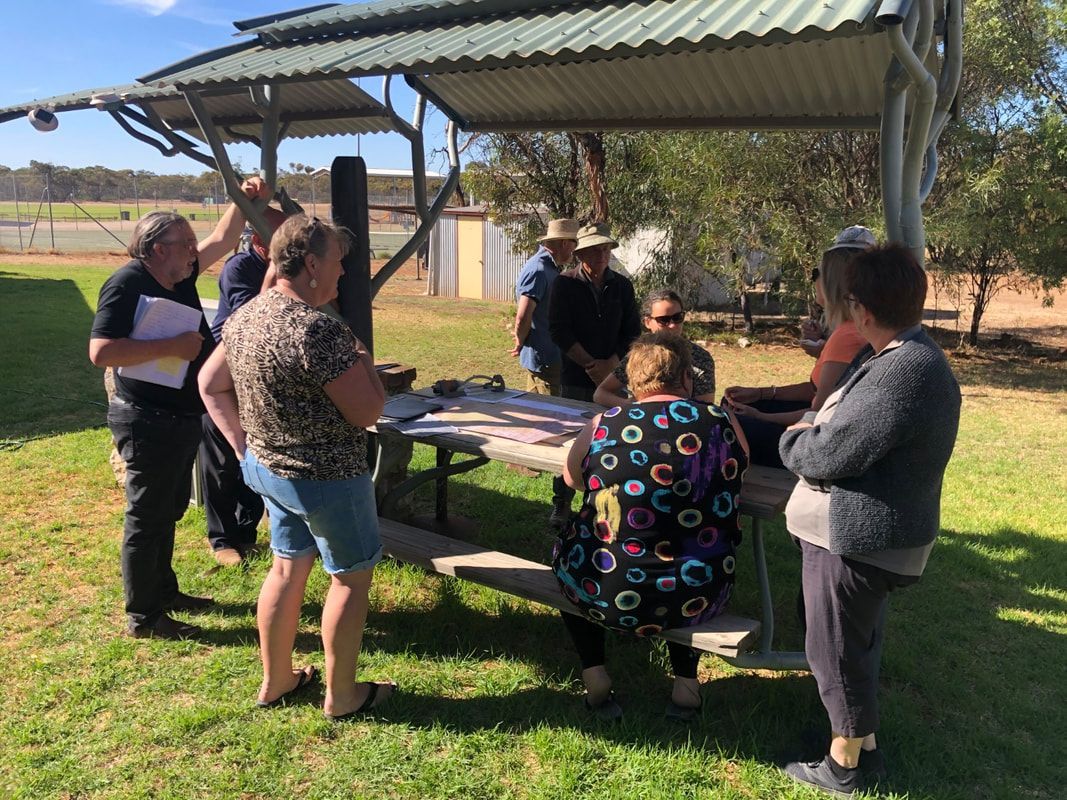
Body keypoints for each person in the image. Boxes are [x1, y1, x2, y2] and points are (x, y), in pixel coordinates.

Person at [779, 244, 961, 796]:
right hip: (871, 535)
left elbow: (831, 451)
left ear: (861, 308)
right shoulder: (905, 356)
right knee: (851, 645)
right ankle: (866, 747)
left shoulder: (899, 371)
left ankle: (844, 766)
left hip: (857, 539)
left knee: (834, 651)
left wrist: (794, 439)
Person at [198, 215, 393, 719]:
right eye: (338, 262)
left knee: (285, 569)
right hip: (328, 479)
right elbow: (368, 412)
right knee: (350, 578)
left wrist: (244, 447)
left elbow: (209, 384)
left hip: (271, 472)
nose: (343, 272)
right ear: (311, 265)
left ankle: (277, 680)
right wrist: (363, 356)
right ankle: (342, 695)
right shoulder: (319, 331)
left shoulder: (247, 314)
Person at [89, 177, 270, 641]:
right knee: (146, 518)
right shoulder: (127, 283)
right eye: (185, 243)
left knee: (166, 511)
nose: (194, 250)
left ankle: (164, 593)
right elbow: (101, 351)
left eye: (192, 243)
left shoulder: (179, 274)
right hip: (145, 418)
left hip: (178, 417)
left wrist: (245, 199)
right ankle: (144, 617)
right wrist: (172, 346)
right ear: (156, 249)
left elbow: (223, 238)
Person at [551, 331, 749, 720]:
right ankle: (686, 683)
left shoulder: (604, 423)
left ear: (633, 382)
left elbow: (572, 479)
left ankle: (594, 673)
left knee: (569, 554)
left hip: (607, 587)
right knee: (684, 537)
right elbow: (742, 467)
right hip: (702, 590)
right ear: (687, 378)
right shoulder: (721, 421)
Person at [723, 225, 876, 468]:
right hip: (826, 433)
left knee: (726, 422)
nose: (814, 280)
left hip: (816, 444)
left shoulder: (847, 336)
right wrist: (761, 393)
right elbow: (817, 389)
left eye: (817, 273)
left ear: (833, 282)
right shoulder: (852, 330)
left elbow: (818, 413)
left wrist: (761, 416)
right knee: (734, 406)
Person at [199, 206, 290, 567]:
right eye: (282, 241)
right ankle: (222, 540)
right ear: (260, 244)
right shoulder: (239, 268)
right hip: (226, 376)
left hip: (260, 377)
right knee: (222, 460)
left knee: (253, 454)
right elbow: (249, 321)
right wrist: (272, 276)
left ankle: (246, 532)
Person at [548, 222, 641, 526]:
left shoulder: (622, 286)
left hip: (615, 379)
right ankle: (562, 503)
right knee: (570, 440)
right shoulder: (564, 284)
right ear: (580, 253)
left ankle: (604, 504)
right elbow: (559, 330)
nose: (602, 254)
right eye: (595, 250)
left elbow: (632, 332)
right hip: (577, 376)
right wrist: (590, 364)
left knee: (613, 439)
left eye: (606, 249)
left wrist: (612, 365)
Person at [593, 288, 715, 408]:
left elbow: (704, 407)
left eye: (677, 317)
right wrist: (630, 406)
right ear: (647, 322)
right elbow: (601, 394)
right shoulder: (641, 354)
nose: (672, 325)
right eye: (664, 320)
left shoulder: (699, 357)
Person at [510, 217, 579, 395]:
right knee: (548, 408)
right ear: (564, 243)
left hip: (552, 355)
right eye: (574, 244)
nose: (574, 251)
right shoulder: (539, 270)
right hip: (545, 359)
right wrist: (520, 340)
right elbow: (523, 315)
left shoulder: (549, 268)